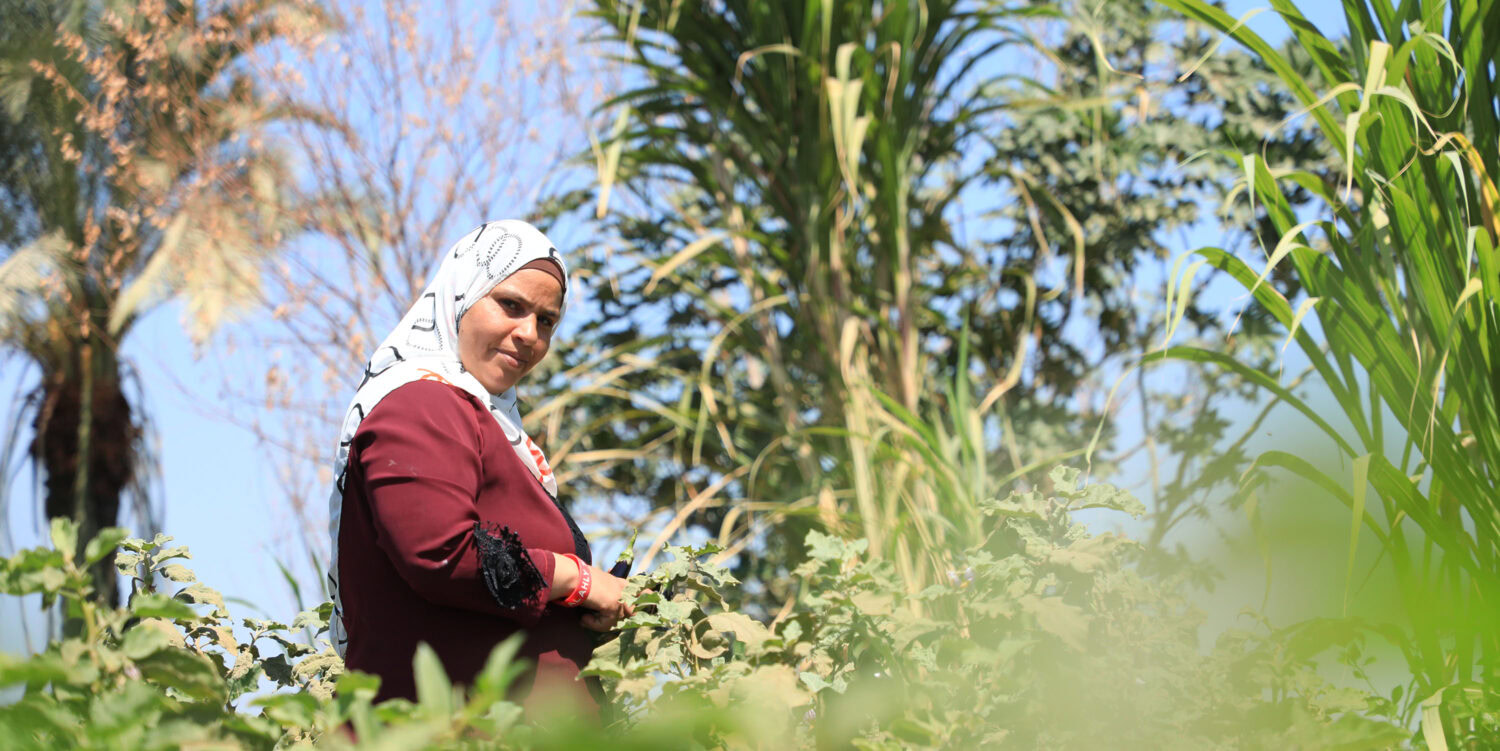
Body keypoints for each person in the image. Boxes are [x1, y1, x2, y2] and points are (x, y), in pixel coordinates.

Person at [325, 220, 630, 712]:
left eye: (547, 321)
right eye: (511, 305)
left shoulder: (490, 425)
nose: (529, 334)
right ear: (461, 298)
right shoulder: (421, 403)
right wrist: (578, 580)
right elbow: (441, 553)